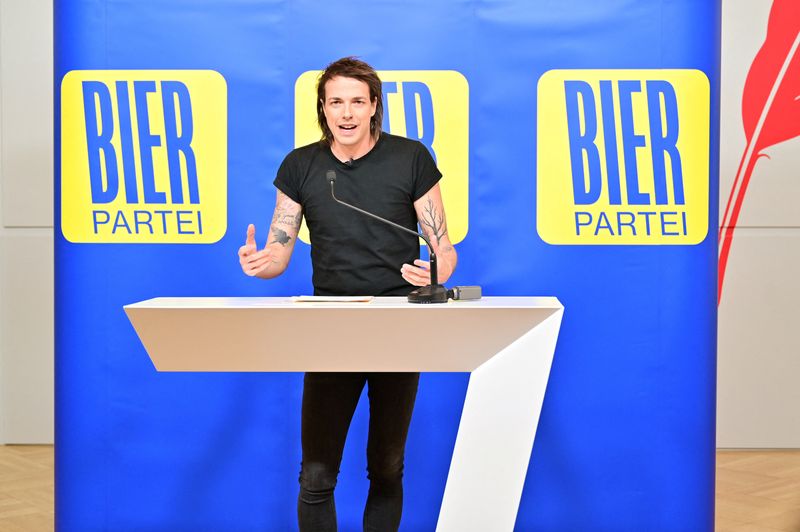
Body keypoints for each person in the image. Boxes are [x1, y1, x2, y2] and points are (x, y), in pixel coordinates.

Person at [238, 57, 457, 532]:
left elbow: (442, 245)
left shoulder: (410, 157)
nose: (347, 112)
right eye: (336, 101)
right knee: (316, 474)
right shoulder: (301, 165)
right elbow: (279, 249)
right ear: (323, 107)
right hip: (331, 325)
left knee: (387, 466)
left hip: (397, 323)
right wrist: (263, 264)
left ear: (374, 106)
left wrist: (434, 270)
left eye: (357, 101)